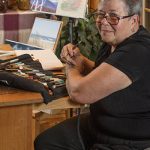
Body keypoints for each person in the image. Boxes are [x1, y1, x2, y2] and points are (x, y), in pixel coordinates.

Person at [34, 0, 150, 149]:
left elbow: (79, 93)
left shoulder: (137, 51)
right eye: (101, 15)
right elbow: (101, 72)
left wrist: (71, 66)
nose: (104, 22)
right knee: (46, 141)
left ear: (134, 20)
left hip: (126, 140)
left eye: (114, 17)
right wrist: (80, 59)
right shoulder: (114, 40)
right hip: (98, 125)